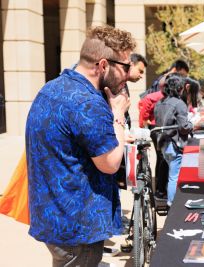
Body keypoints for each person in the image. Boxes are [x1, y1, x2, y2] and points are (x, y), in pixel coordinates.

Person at [25, 25, 135, 266]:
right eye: (126, 66)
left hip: (55, 219)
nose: (129, 74)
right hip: (78, 228)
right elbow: (110, 163)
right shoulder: (87, 102)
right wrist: (117, 114)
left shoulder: (52, 88)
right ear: (104, 65)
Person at [154, 74, 193, 207]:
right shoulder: (179, 104)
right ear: (180, 88)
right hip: (174, 144)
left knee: (172, 174)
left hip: (162, 144)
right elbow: (183, 127)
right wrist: (192, 125)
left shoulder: (159, 103)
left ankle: (171, 200)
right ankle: (172, 204)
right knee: (174, 176)